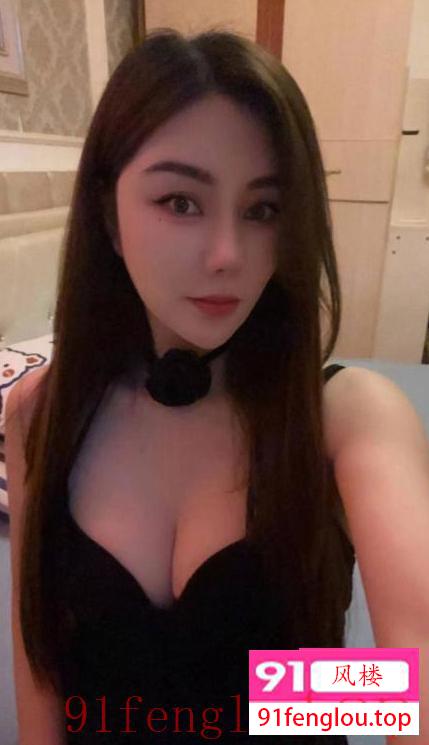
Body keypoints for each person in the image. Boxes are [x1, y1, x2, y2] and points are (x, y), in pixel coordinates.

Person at [5, 27, 429, 745]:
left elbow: (411, 675)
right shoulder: (41, 413)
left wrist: (268, 700)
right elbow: (42, 676)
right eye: (180, 201)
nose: (228, 253)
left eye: (263, 209)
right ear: (108, 215)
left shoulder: (346, 416)